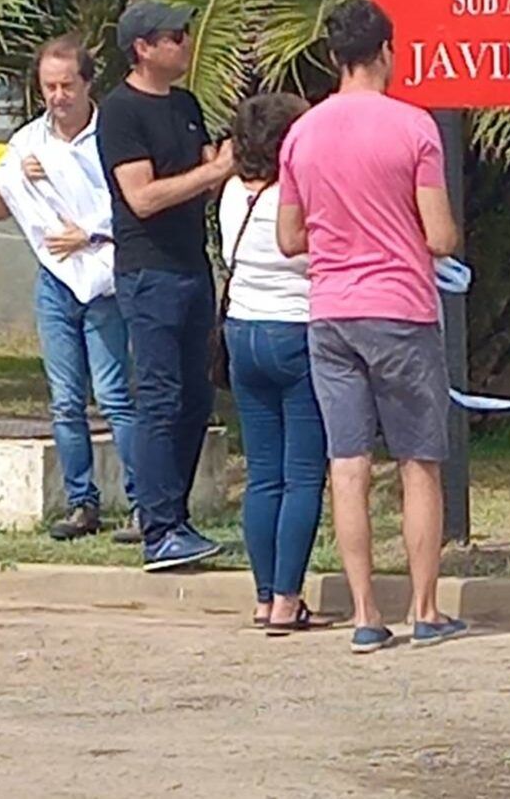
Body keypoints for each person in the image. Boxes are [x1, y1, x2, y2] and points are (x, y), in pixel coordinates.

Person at [276, 0, 466, 653]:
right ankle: (425, 607)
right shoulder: (414, 129)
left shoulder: (301, 134)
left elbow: (287, 236)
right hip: (401, 310)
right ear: (388, 50)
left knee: (347, 465)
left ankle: (364, 612)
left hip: (330, 312)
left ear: (333, 58)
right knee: (419, 461)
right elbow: (440, 234)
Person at [0, 35, 140, 543]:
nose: (58, 97)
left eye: (67, 85)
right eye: (48, 87)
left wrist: (91, 230)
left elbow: (132, 203)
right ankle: (81, 503)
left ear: (88, 83)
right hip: (56, 281)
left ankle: (143, 503)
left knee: (115, 395)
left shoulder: (111, 136)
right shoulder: (30, 140)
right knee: (66, 400)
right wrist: (19, 179)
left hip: (102, 279)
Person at [99, 0, 235, 572]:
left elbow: (197, 179)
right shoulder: (121, 112)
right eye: (175, 36)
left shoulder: (185, 103)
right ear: (143, 48)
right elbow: (144, 196)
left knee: (195, 398)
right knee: (159, 398)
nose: (186, 43)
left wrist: (220, 163)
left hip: (190, 266)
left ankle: (174, 517)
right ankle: (157, 526)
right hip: (148, 270)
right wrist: (212, 172)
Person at [220, 93, 332, 635]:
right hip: (297, 329)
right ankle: (289, 596)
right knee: (304, 474)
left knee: (263, 474)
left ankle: (265, 595)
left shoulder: (229, 193)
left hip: (242, 330)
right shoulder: (298, 193)